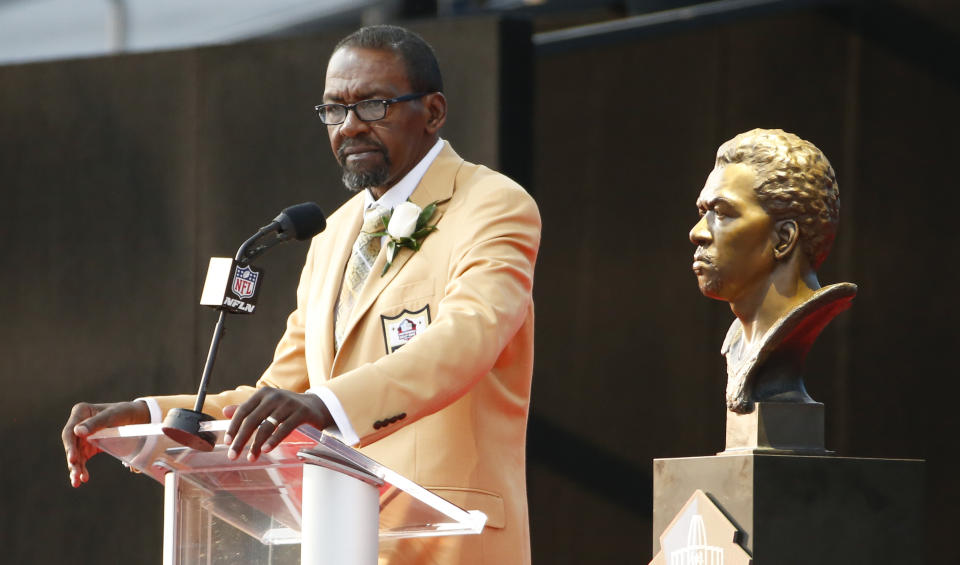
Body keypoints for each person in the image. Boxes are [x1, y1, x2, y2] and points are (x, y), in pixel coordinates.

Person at [62, 25, 540, 565]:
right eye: (334, 110)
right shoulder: (333, 235)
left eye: (374, 106)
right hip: (342, 543)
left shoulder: (492, 204)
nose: (350, 126)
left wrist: (325, 405)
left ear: (432, 112)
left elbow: (465, 339)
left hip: (453, 545)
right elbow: (277, 396)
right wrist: (146, 417)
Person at [689, 128, 854, 414]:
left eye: (723, 213)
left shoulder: (791, 334)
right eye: (704, 213)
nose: (697, 233)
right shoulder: (738, 341)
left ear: (784, 238)